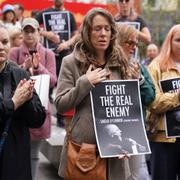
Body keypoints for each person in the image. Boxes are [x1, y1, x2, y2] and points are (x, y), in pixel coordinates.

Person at [55, 7, 134, 180]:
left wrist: (129, 139)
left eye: (107, 28)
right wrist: (85, 83)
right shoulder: (71, 62)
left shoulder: (121, 62)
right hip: (85, 151)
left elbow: (126, 110)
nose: (103, 34)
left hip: (116, 154)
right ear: (86, 32)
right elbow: (60, 104)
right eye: (97, 28)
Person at [8, 17, 57, 180]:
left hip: (39, 109)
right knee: (15, 153)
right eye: (26, 31)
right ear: (22, 33)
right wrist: (24, 68)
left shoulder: (48, 54)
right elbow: (7, 77)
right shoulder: (14, 52)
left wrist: (38, 67)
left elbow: (53, 80)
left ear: (38, 33)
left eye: (32, 31)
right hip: (17, 110)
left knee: (34, 154)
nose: (29, 35)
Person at [0, 25, 46, 180]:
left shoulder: (20, 74)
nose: (1, 47)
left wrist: (26, 100)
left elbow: (38, 119)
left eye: (5, 42)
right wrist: (13, 102)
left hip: (16, 160)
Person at [116, 23, 155, 180]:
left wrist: (139, 79)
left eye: (136, 43)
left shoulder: (138, 66)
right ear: (118, 41)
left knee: (135, 176)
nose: (133, 47)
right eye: (129, 42)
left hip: (134, 130)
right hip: (111, 130)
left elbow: (151, 97)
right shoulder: (105, 64)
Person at [36, 0, 78, 127]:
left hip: (64, 55)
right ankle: (41, 115)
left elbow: (76, 35)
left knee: (63, 86)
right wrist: (46, 33)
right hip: (48, 55)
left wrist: (67, 44)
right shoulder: (44, 13)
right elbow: (31, 27)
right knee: (45, 86)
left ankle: (61, 117)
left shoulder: (69, 15)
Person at [147, 24, 180, 180]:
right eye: (178, 40)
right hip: (163, 140)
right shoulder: (156, 66)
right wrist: (177, 98)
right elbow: (152, 101)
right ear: (169, 41)